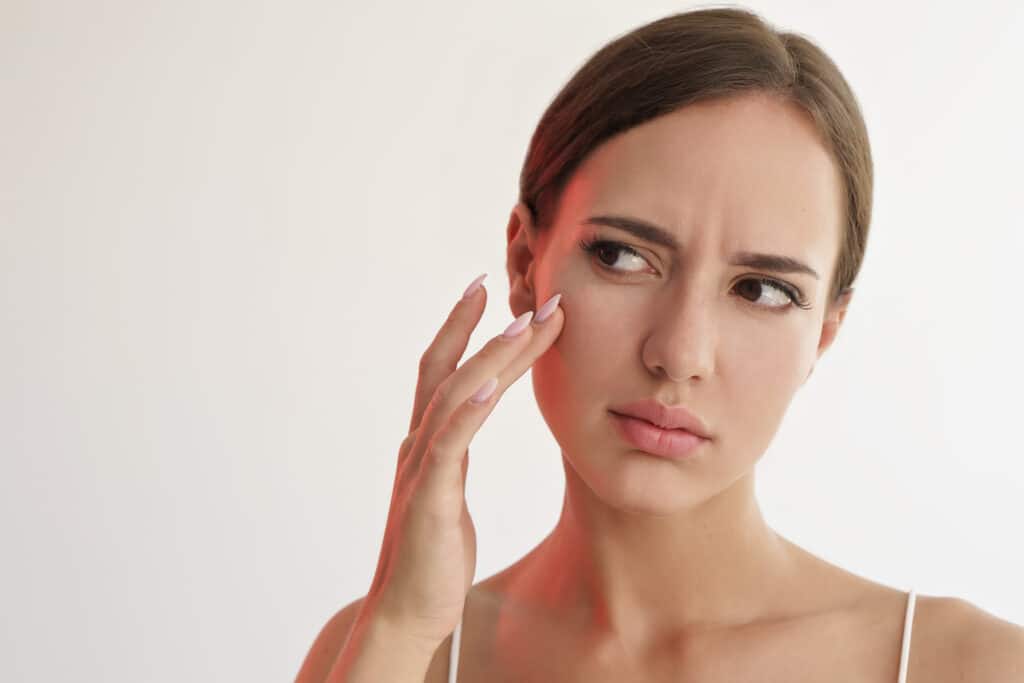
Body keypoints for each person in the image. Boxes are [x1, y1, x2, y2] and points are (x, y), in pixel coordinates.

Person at [296, 7, 1024, 682]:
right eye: (622, 257)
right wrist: (398, 629)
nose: (678, 354)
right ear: (524, 263)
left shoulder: (972, 667)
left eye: (762, 290)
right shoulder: (389, 651)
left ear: (824, 334)